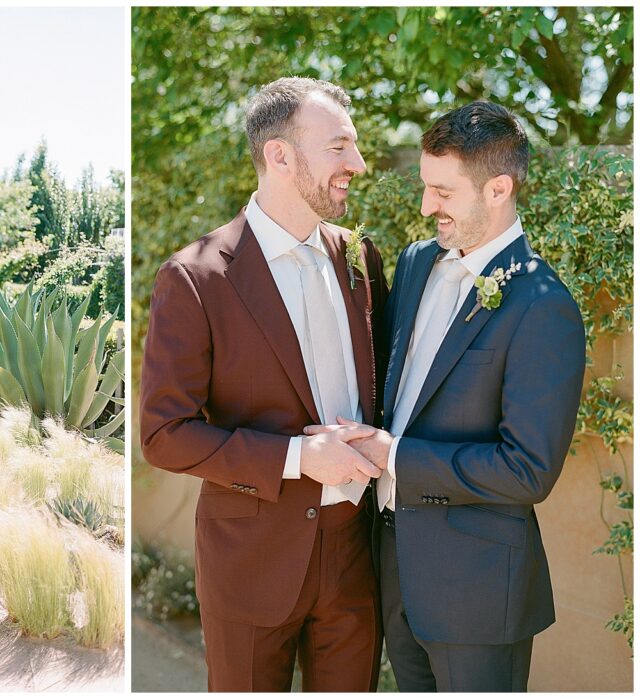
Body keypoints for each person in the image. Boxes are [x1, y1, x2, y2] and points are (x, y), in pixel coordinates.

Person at [306, 101, 586, 691]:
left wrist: (395, 456)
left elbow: (528, 470)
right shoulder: (414, 264)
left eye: (443, 192)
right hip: (395, 570)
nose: (427, 206)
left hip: (479, 597)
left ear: (498, 189)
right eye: (426, 188)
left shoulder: (543, 305)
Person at [139, 76, 389, 692]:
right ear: (280, 155)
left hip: (356, 558)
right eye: (338, 147)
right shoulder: (195, 278)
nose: (356, 164)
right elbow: (164, 434)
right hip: (249, 564)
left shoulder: (362, 260)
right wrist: (302, 457)